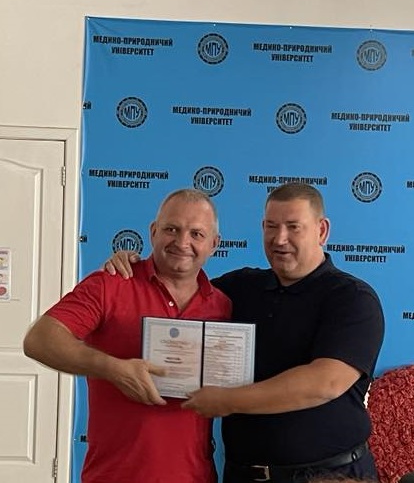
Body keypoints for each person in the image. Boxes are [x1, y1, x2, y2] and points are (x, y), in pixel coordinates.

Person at [105, 182, 386, 483]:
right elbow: (174, 291)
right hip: (242, 474)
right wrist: (131, 270)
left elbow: (325, 382)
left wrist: (228, 400)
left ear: (322, 231)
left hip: (330, 475)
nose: (280, 238)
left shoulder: (352, 298)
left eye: (293, 227)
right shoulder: (238, 288)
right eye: (271, 226)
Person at [22, 188, 231, 483]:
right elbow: (40, 339)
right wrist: (114, 369)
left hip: (195, 476)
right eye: (171, 229)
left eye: (196, 234)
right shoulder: (111, 284)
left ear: (214, 244)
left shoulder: (222, 305)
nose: (182, 242)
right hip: (115, 475)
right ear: (153, 232)